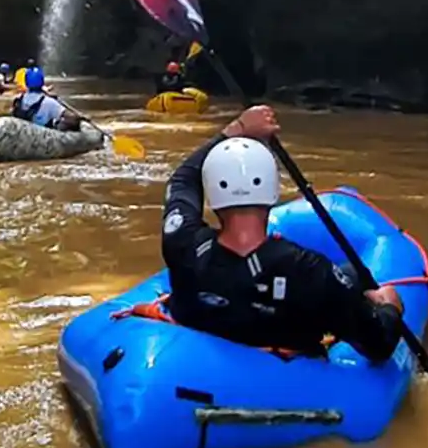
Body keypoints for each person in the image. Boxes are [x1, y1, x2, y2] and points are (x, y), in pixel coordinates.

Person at [159, 104, 405, 361]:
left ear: (212, 193)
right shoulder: (309, 271)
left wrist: (237, 129)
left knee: (351, 274)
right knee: (354, 278)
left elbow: (183, 179)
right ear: (272, 191)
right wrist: (390, 307)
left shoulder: (183, 244)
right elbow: (379, 346)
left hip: (205, 343)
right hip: (287, 375)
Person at [12, 66, 82, 131]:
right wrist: (79, 117)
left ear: (26, 83)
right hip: (44, 138)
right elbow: (72, 119)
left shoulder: (18, 99)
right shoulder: (49, 102)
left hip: (24, 135)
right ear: (42, 82)